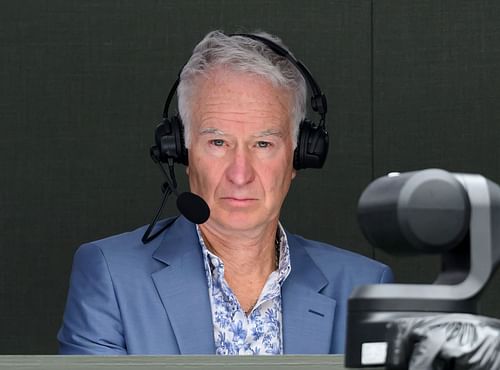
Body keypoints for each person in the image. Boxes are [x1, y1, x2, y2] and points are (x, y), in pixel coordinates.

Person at [57, 30, 393, 355]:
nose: (240, 174)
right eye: (218, 142)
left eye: (263, 144)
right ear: (181, 151)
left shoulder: (364, 290)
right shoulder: (111, 276)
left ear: (299, 156)